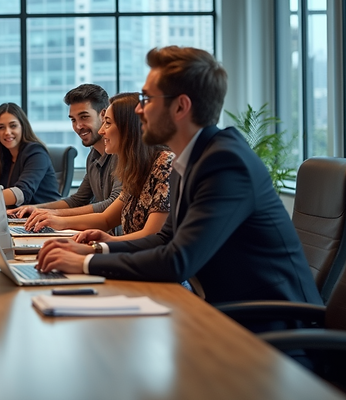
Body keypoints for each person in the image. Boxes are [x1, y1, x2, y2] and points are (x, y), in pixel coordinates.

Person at [36, 46, 322, 310]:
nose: (138, 109)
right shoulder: (190, 160)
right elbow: (164, 238)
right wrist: (102, 246)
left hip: (268, 329)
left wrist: (86, 262)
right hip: (221, 313)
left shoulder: (225, 163)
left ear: (181, 107)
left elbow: (178, 261)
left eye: (147, 99)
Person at [24, 93, 174, 243]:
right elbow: (106, 218)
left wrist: (105, 245)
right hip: (130, 255)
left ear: (128, 128)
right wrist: (58, 221)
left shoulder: (164, 164)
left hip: (147, 261)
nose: (102, 131)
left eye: (107, 123)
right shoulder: (135, 168)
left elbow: (153, 236)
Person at [9, 84, 122, 221]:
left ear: (103, 115)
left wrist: (55, 215)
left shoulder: (120, 154)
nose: (78, 126)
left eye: (84, 117)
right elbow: (78, 200)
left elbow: (113, 203)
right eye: (73, 120)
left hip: (116, 239)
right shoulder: (93, 156)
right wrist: (37, 209)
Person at [0, 103, 60, 207]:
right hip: (14, 218)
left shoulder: (36, 153)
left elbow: (22, 193)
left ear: (23, 127)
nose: (7, 132)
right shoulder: (2, 156)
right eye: (1, 127)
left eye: (13, 126)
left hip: (44, 218)